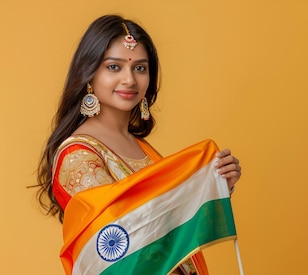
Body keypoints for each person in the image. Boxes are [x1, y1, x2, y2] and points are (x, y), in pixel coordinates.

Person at [34, 15, 242, 274]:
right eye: (114, 67)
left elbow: (168, 221)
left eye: (140, 68)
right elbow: (123, 244)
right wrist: (194, 186)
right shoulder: (78, 156)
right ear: (89, 73)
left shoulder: (143, 149)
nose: (129, 80)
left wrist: (215, 182)